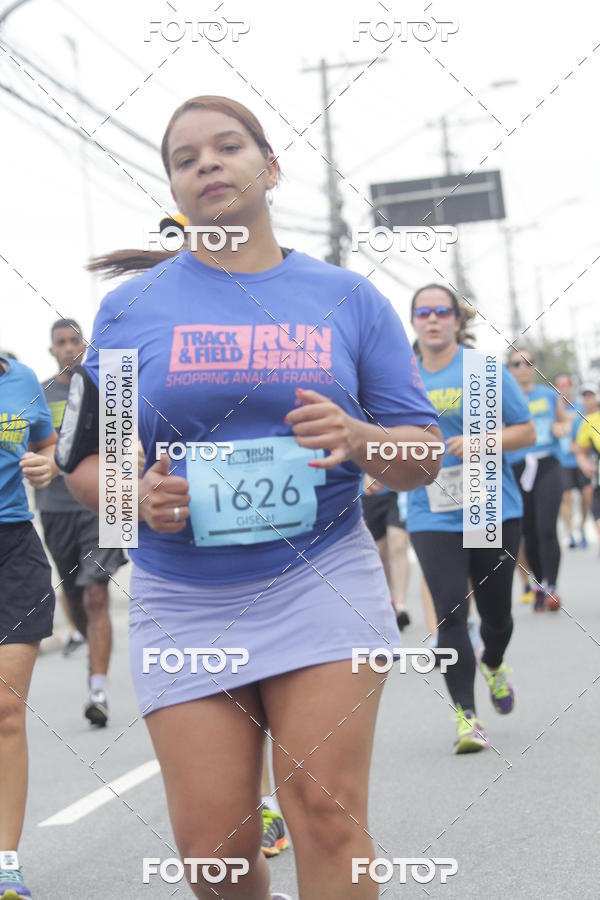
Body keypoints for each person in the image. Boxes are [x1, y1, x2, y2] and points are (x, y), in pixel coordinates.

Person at [57, 95, 442, 900]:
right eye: (185, 158)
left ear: (270, 167)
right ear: (174, 188)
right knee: (216, 857)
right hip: (185, 599)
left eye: (227, 147)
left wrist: (358, 437)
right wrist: (137, 496)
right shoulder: (129, 312)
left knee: (326, 814)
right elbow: (87, 465)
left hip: (321, 580)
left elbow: (423, 456)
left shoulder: (348, 299)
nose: (207, 163)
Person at [406, 284, 535, 753]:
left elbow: (526, 431)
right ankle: (467, 717)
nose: (432, 319)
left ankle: (494, 663)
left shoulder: (482, 370)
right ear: (413, 320)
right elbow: (383, 435)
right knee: (450, 611)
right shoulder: (402, 378)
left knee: (497, 615)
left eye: (442, 311)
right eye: (423, 312)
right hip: (431, 512)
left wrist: (483, 442)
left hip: (487, 504)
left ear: (457, 321)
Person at [35, 319, 126, 727]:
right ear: (52, 350)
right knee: (74, 598)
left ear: (85, 346)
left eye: (75, 341)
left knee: (95, 594)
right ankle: (94, 654)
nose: (69, 348)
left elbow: (123, 442)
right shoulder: (39, 394)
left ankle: (98, 689)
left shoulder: (107, 387)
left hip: (100, 504)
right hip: (55, 509)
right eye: (61, 342)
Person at [0, 354, 59, 900]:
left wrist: (47, 464)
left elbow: (47, 444)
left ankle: (5, 862)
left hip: (15, 551)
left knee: (6, 710)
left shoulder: (20, 380)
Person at [506, 348, 572, 611]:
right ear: (509, 369)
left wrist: (561, 428)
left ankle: (551, 587)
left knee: (546, 527)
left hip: (547, 464)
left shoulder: (547, 394)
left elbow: (565, 422)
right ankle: (539, 583)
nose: (523, 368)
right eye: (516, 364)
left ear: (534, 367)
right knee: (528, 531)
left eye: (528, 362)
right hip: (517, 467)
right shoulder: (503, 398)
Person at [361, 478, 411, 629]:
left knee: (398, 543)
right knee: (380, 554)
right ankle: (390, 604)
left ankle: (400, 605)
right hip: (365, 493)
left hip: (396, 490)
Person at [554, 374, 591, 548]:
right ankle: (569, 534)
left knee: (586, 495)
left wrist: (581, 445)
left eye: (566, 385)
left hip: (581, 457)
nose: (563, 388)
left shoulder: (580, 407)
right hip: (562, 459)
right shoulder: (554, 407)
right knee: (566, 497)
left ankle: (581, 528)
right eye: (560, 386)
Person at [575, 383, 600, 552]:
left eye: (591, 395)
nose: (588, 399)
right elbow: (581, 452)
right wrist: (585, 465)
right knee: (596, 512)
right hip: (598, 476)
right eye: (586, 396)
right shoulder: (587, 421)